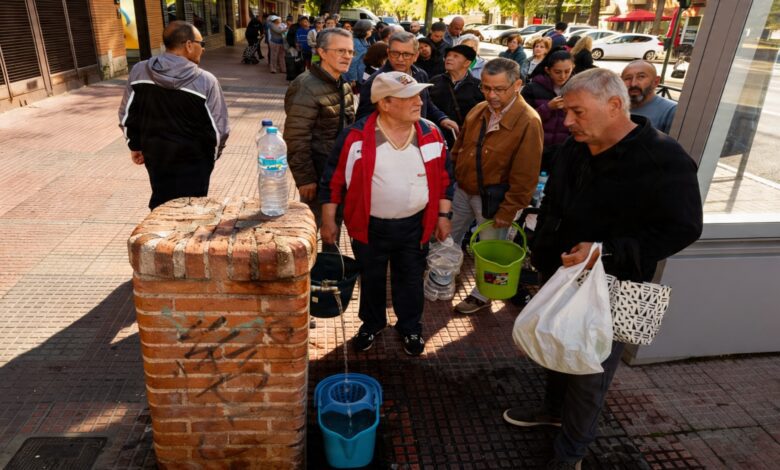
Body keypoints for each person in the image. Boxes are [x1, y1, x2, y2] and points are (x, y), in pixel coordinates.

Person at [504, 67, 702, 470]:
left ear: (614, 105)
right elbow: (555, 207)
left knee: (589, 373)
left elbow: (683, 228)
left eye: (577, 111)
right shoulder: (578, 146)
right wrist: (541, 252)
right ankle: (552, 411)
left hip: (617, 284)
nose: (568, 121)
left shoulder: (664, 157)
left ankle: (570, 454)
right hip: (561, 273)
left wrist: (604, 252)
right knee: (557, 345)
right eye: (567, 111)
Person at [319, 71, 454, 356]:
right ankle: (372, 323)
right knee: (372, 277)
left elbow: (444, 178)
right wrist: (329, 220)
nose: (419, 101)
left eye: (419, 95)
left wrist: (443, 217)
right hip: (370, 227)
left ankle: (410, 327)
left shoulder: (431, 133)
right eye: (410, 97)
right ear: (385, 103)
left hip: (415, 226)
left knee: (411, 278)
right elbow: (333, 180)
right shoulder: (356, 136)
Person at [449, 58, 543, 314]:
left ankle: (483, 295)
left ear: (518, 85)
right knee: (449, 238)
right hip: (463, 190)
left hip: (494, 200)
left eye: (499, 89)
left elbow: (526, 174)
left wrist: (508, 210)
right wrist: (454, 178)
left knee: (489, 253)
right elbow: (460, 148)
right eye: (486, 87)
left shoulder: (528, 121)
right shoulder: (479, 109)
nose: (491, 95)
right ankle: (445, 277)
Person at [118, 21, 229, 210]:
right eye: (201, 44)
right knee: (192, 211)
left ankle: (158, 235)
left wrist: (135, 145)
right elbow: (220, 130)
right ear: (188, 45)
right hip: (195, 161)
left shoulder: (139, 71)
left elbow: (127, 115)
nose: (202, 49)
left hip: (156, 156)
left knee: (161, 203)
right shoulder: (205, 81)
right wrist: (211, 157)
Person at [284, 28, 355, 234]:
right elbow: (296, 136)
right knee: (310, 231)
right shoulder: (305, 86)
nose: (347, 56)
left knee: (333, 229)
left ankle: (330, 264)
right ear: (322, 53)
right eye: (341, 51)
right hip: (317, 174)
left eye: (350, 52)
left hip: (339, 173)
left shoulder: (344, 85)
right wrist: (305, 178)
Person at [356, 32, 459, 135]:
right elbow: (363, 119)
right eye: (395, 53)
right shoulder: (376, 81)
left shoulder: (421, 74)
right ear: (388, 53)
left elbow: (426, 102)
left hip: (418, 137)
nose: (400, 59)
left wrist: (442, 118)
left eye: (406, 54)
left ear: (416, 56)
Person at [521, 49, 574, 172]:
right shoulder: (532, 88)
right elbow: (523, 119)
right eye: (557, 72)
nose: (563, 76)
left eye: (567, 71)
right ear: (547, 70)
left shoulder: (578, 89)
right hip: (536, 148)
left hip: (564, 150)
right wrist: (548, 108)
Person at [428, 45, 484, 148]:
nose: (449, 58)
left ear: (467, 63)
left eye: (455, 56)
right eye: (448, 55)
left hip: (463, 141)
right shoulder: (434, 82)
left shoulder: (479, 87)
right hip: (435, 138)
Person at [621, 60, 677, 133]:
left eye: (641, 77)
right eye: (628, 78)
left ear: (655, 82)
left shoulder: (671, 111)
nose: (633, 84)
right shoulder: (614, 106)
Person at [346, 20, 373, 87]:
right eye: (370, 29)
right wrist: (353, 79)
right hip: (356, 77)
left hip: (361, 73)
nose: (371, 30)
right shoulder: (357, 43)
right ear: (365, 30)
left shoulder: (363, 40)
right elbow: (353, 62)